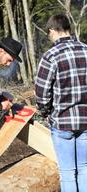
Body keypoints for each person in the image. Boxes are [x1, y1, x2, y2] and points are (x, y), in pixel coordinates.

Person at [35, 14, 87, 192]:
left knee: (67, 172)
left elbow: (42, 94)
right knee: (84, 168)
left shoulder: (50, 56)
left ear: (51, 31)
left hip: (62, 121)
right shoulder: (86, 50)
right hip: (86, 121)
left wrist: (45, 111)